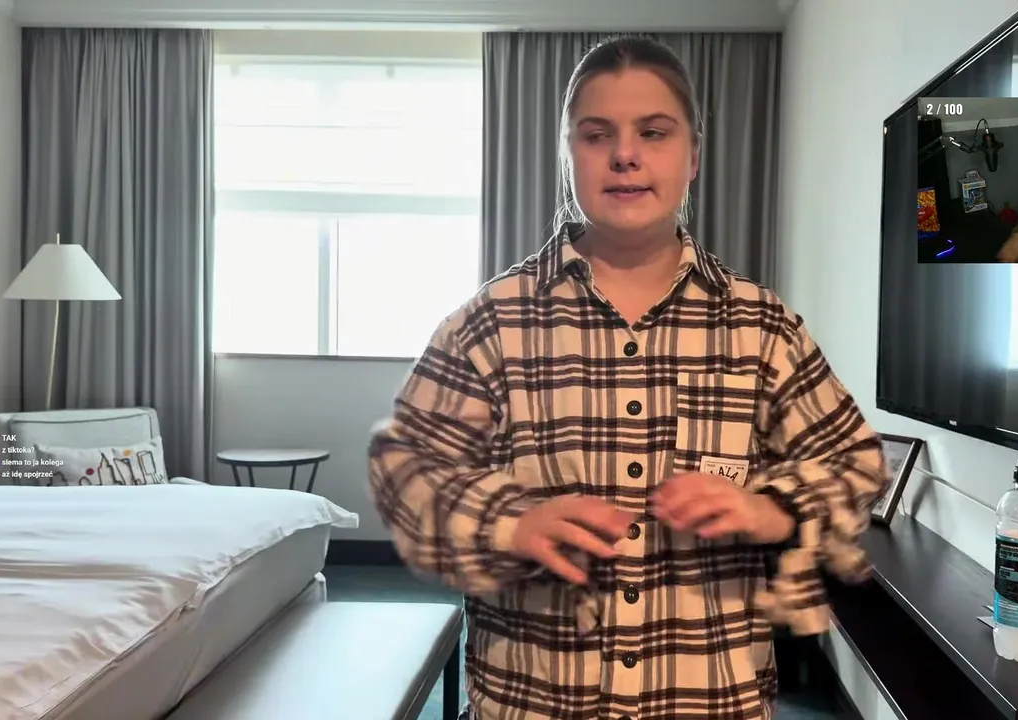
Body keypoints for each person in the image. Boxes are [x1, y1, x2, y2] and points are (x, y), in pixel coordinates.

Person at [368, 36, 889, 720]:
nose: (625, 154)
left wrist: (772, 508)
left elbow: (855, 463)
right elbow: (404, 469)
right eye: (596, 135)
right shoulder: (489, 324)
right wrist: (508, 522)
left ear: (693, 155)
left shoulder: (763, 327)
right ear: (568, 155)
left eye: (654, 132)